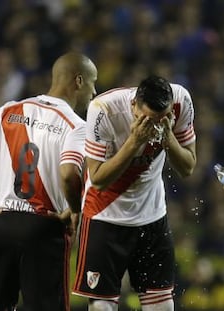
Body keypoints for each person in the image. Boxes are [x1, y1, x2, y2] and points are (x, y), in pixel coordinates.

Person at [0, 52, 98, 311]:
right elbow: (69, 174)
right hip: (45, 228)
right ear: (79, 81)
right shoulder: (76, 126)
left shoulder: (8, 111)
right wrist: (75, 211)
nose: (94, 92)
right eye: (93, 83)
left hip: (4, 224)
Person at [72, 75, 196, 311]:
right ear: (133, 106)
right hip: (105, 215)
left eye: (163, 118)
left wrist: (168, 136)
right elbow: (97, 179)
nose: (155, 125)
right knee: (102, 307)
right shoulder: (104, 109)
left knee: (162, 306)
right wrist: (134, 142)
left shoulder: (181, 100)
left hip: (152, 216)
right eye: (148, 119)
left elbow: (188, 167)